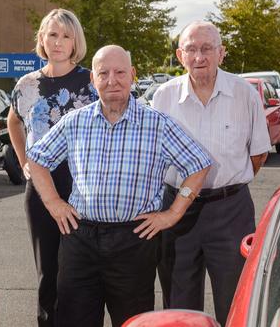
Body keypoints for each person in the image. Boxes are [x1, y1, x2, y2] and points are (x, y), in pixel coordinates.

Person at [27, 45, 212, 327]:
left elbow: (199, 164)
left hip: (134, 242)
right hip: (80, 238)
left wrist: (172, 214)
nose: (112, 80)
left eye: (120, 72)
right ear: (93, 79)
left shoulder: (157, 124)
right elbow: (38, 159)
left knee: (133, 321)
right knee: (73, 319)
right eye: (103, 73)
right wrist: (54, 203)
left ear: (133, 75)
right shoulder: (75, 122)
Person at [152, 21, 270, 325]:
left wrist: (225, 185)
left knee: (235, 302)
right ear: (180, 55)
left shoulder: (245, 94)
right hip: (177, 212)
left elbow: (258, 154)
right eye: (191, 49)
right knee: (179, 306)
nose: (199, 56)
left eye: (206, 48)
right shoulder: (162, 97)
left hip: (230, 210)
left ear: (221, 53)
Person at [7, 8, 97, 327]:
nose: (58, 42)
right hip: (41, 187)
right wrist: (23, 162)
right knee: (48, 271)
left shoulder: (91, 82)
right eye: (53, 34)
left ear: (76, 42)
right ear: (42, 39)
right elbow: (13, 121)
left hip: (82, 185)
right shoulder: (27, 85)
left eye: (66, 36)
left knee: (78, 271)